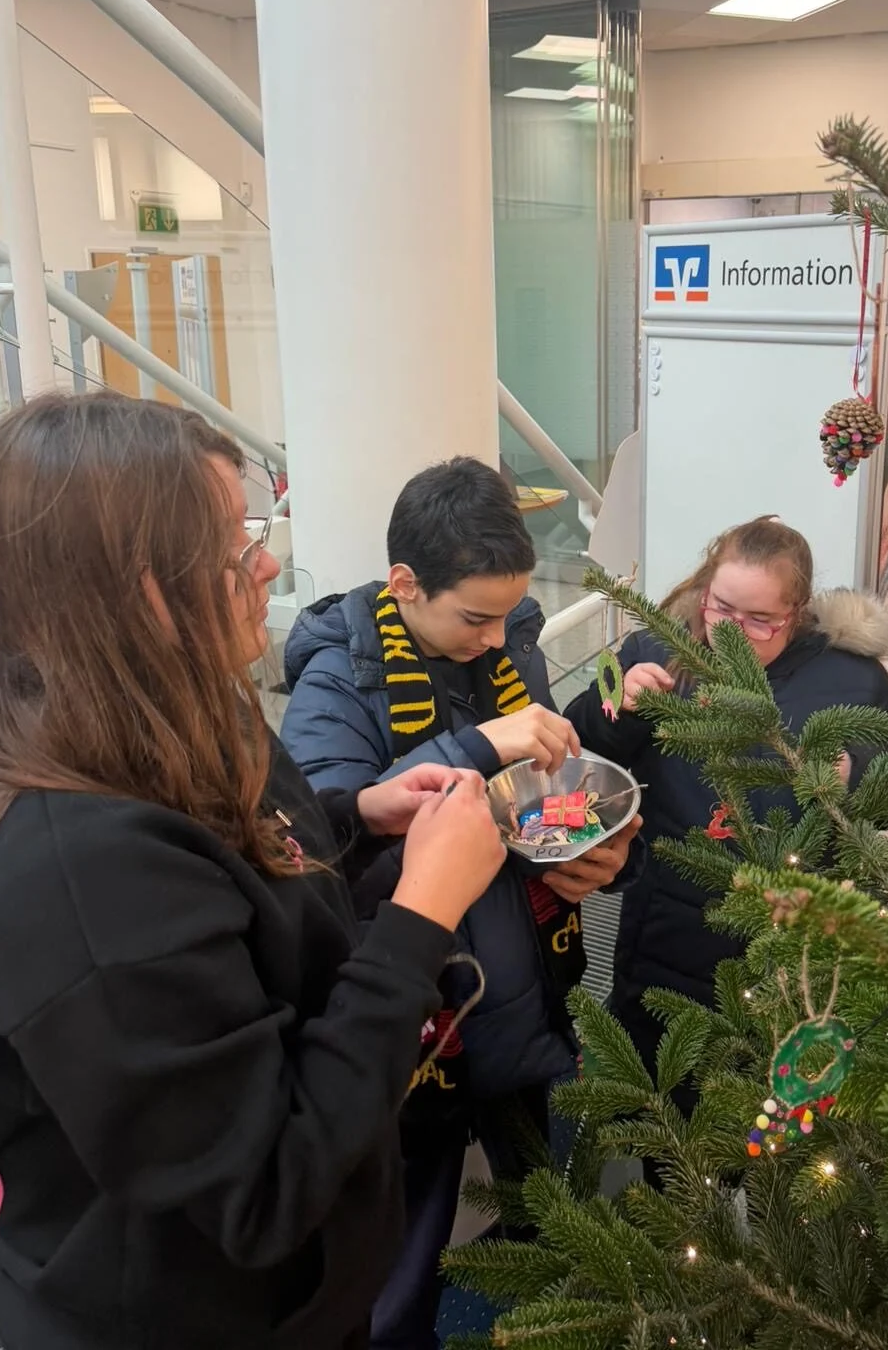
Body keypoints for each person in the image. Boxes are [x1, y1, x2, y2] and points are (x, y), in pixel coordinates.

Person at [0, 393, 507, 1350]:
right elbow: (266, 1188)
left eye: (253, 531)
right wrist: (422, 914)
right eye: (230, 548)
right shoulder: (80, 874)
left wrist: (361, 820)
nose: (265, 565)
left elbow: (250, 893)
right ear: (129, 591)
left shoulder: (191, 711)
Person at [280, 457, 640, 1349]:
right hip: (423, 1021)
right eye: (474, 618)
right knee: (399, 1260)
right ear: (404, 584)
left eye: (509, 614)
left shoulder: (506, 640)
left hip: (527, 986)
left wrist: (598, 858)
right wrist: (479, 743)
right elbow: (326, 855)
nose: (494, 637)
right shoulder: (335, 684)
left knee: (546, 1209)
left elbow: (539, 798)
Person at [566, 516, 888, 1091]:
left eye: (759, 620)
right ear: (705, 589)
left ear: (796, 612)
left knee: (772, 1100)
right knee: (656, 1090)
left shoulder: (852, 678)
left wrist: (853, 771)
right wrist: (620, 707)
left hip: (793, 930)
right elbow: (582, 740)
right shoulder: (659, 649)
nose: (733, 632)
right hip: (668, 920)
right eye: (722, 609)